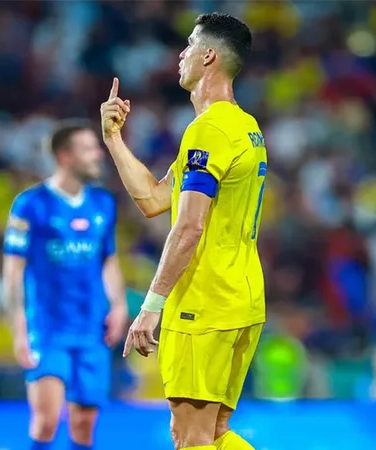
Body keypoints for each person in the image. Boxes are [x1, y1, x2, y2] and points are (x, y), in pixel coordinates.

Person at [100, 13, 265, 450]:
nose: (181, 54)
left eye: (190, 45)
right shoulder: (243, 127)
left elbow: (189, 227)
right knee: (213, 434)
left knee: (190, 439)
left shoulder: (206, 131)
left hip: (203, 306)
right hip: (242, 299)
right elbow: (155, 200)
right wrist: (114, 139)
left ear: (209, 55)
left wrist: (151, 306)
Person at [2, 119, 128, 450]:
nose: (97, 155)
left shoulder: (103, 204)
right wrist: (19, 328)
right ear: (65, 157)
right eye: (88, 149)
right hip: (48, 328)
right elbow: (13, 271)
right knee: (46, 421)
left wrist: (118, 305)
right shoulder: (30, 204)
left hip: (92, 328)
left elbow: (108, 261)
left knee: (84, 424)